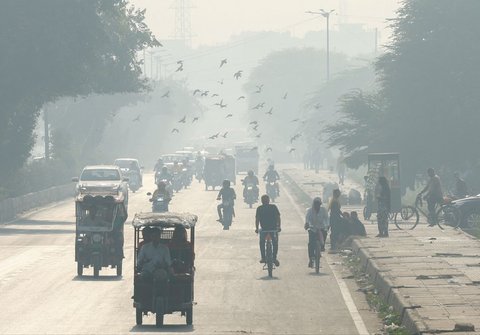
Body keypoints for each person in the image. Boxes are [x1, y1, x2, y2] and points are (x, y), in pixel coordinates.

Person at [255, 195, 281, 266]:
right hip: (273, 229)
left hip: (265, 229)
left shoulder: (259, 208)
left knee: (262, 242)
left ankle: (263, 257)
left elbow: (257, 219)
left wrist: (257, 229)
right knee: (275, 243)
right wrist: (279, 227)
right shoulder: (273, 207)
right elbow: (278, 217)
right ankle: (274, 258)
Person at [304, 197, 329, 268]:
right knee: (311, 243)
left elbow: (326, 218)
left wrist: (327, 225)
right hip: (312, 228)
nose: (317, 206)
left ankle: (322, 246)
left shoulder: (323, 210)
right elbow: (307, 218)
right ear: (313, 204)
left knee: (325, 233)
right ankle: (311, 258)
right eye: (316, 204)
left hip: (321, 227)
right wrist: (307, 224)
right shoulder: (310, 210)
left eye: (318, 204)